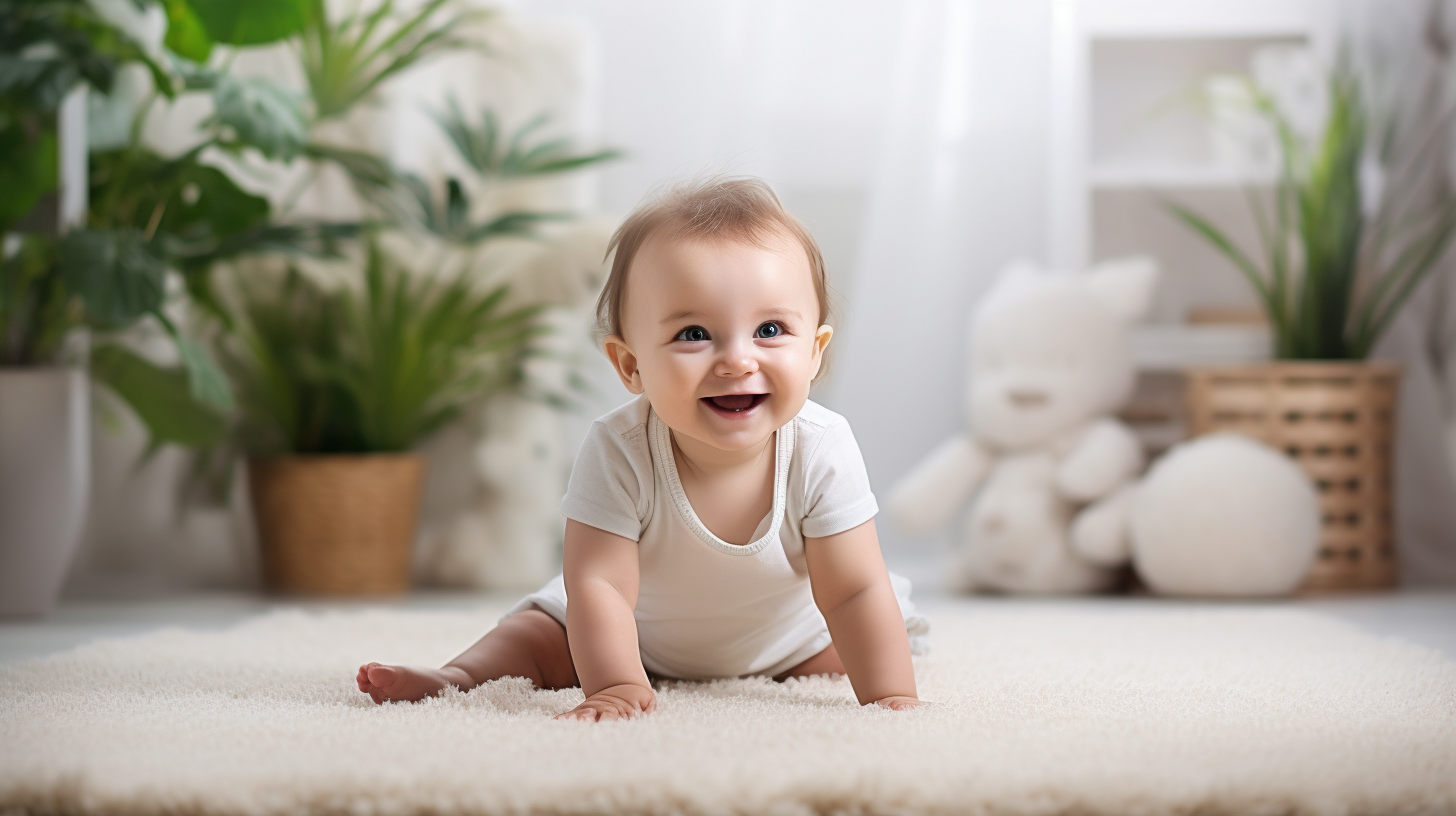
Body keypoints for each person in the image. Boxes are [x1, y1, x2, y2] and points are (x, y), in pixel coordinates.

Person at [357, 176, 930, 721]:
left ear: (815, 352)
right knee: (536, 635)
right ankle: (457, 678)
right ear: (631, 365)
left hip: (789, 639)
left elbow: (852, 590)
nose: (737, 360)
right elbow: (599, 584)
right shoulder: (620, 449)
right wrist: (615, 683)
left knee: (860, 641)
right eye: (694, 334)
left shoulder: (821, 448)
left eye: (771, 330)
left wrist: (890, 697)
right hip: (638, 636)